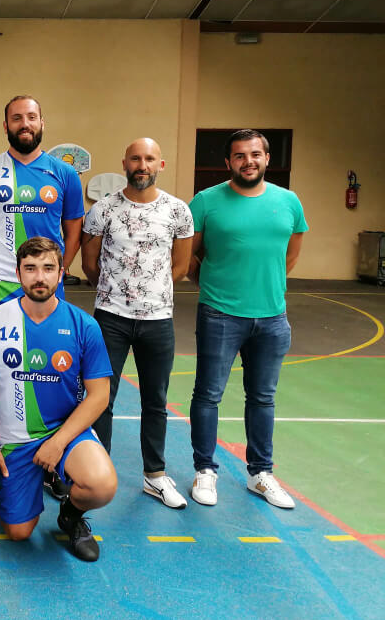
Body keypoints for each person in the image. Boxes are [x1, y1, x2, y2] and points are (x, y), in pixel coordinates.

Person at [0, 237, 117, 562]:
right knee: (18, 533)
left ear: (61, 272)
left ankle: (71, 514)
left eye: (48, 268)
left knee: (101, 484)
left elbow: (99, 395)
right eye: (31, 268)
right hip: (14, 439)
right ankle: (30, 482)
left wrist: (58, 443)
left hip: (65, 433)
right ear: (18, 273)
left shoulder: (84, 325)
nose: (39, 277)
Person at [188, 129, 307, 509]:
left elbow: (290, 255)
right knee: (208, 395)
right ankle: (204, 470)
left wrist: (265, 288)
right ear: (229, 162)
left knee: (263, 398)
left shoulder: (289, 202)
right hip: (219, 313)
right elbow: (190, 257)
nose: (248, 161)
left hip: (272, 317)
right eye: (240, 156)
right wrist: (216, 283)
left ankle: (260, 473)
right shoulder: (206, 201)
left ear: (267, 158)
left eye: (255, 154)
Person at [0, 95, 85, 466]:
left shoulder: (63, 174)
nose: (24, 123)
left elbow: (73, 230)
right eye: (17, 118)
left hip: (46, 287)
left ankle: (49, 446)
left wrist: (55, 271)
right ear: (6, 126)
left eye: (31, 117)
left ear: (42, 123)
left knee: (47, 366)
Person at [81, 138, 192, 510]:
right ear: (124, 163)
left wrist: (151, 295)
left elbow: (180, 266)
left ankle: (155, 476)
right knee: (101, 399)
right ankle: (97, 470)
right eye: (135, 158)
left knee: (156, 401)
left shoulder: (178, 211)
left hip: (158, 322)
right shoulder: (103, 209)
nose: (141, 165)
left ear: (160, 164)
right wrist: (116, 294)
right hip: (110, 319)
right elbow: (89, 264)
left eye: (149, 159)